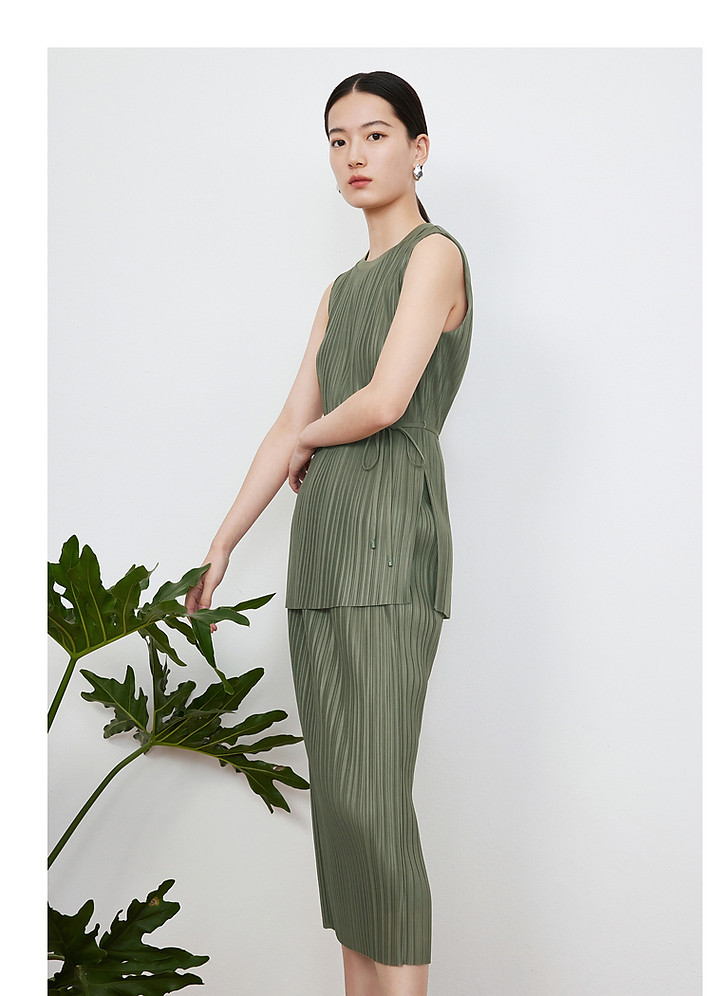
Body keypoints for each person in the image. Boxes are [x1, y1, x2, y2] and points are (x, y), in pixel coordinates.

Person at [186, 70, 473, 996]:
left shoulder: (434, 256)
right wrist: (225, 540)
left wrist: (312, 436)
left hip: (390, 547)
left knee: (376, 806)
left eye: (376, 135)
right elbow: (288, 421)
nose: (355, 155)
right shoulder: (341, 288)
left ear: (418, 149)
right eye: (339, 140)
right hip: (322, 556)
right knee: (344, 810)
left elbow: (385, 401)